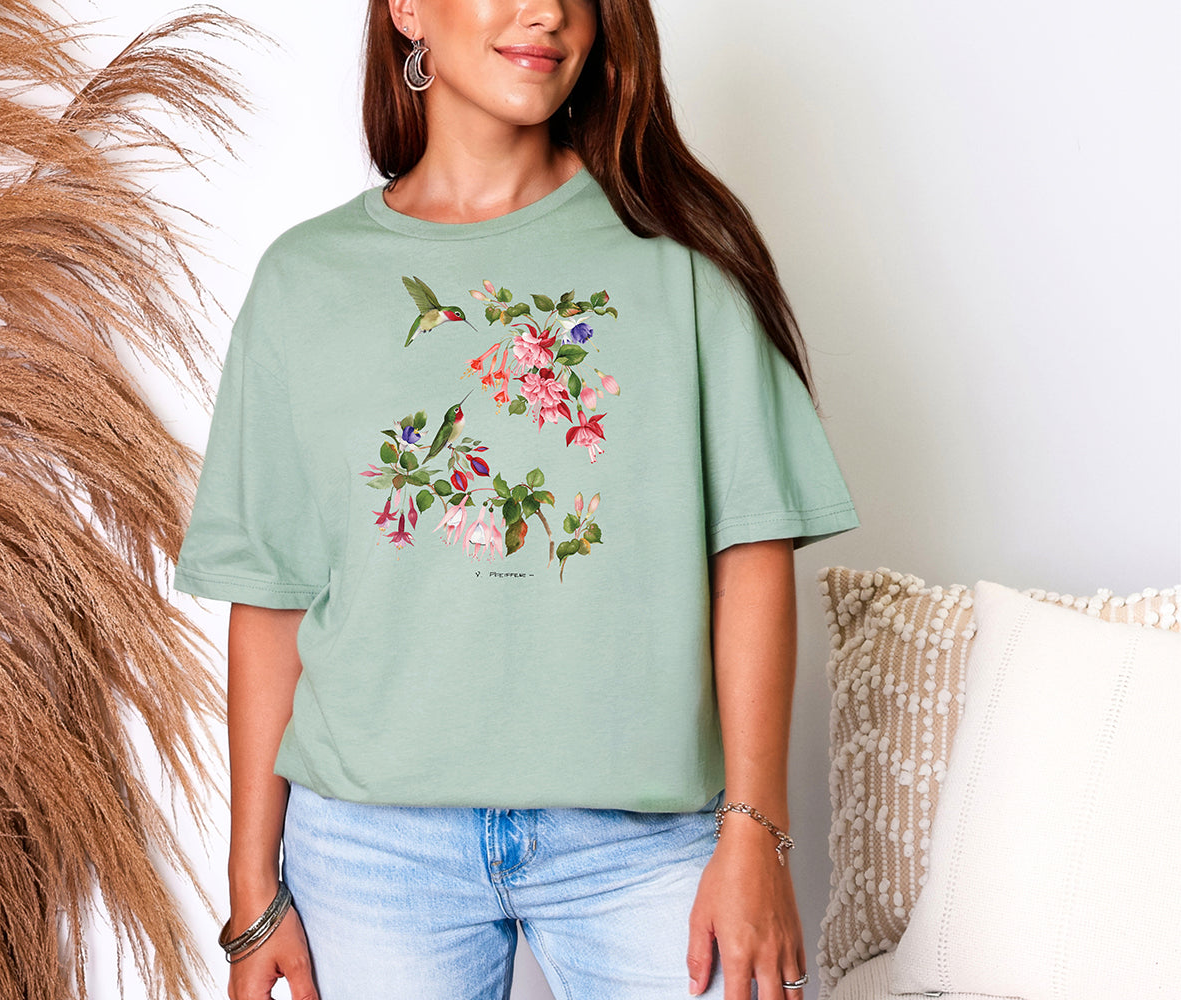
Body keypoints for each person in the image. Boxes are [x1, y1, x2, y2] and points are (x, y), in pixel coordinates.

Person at [173, 1, 860, 998]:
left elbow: (748, 557)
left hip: (644, 844)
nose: (548, 12)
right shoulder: (304, 279)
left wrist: (755, 831)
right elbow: (271, 598)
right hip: (372, 851)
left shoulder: (679, 257)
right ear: (407, 9)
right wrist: (252, 893)